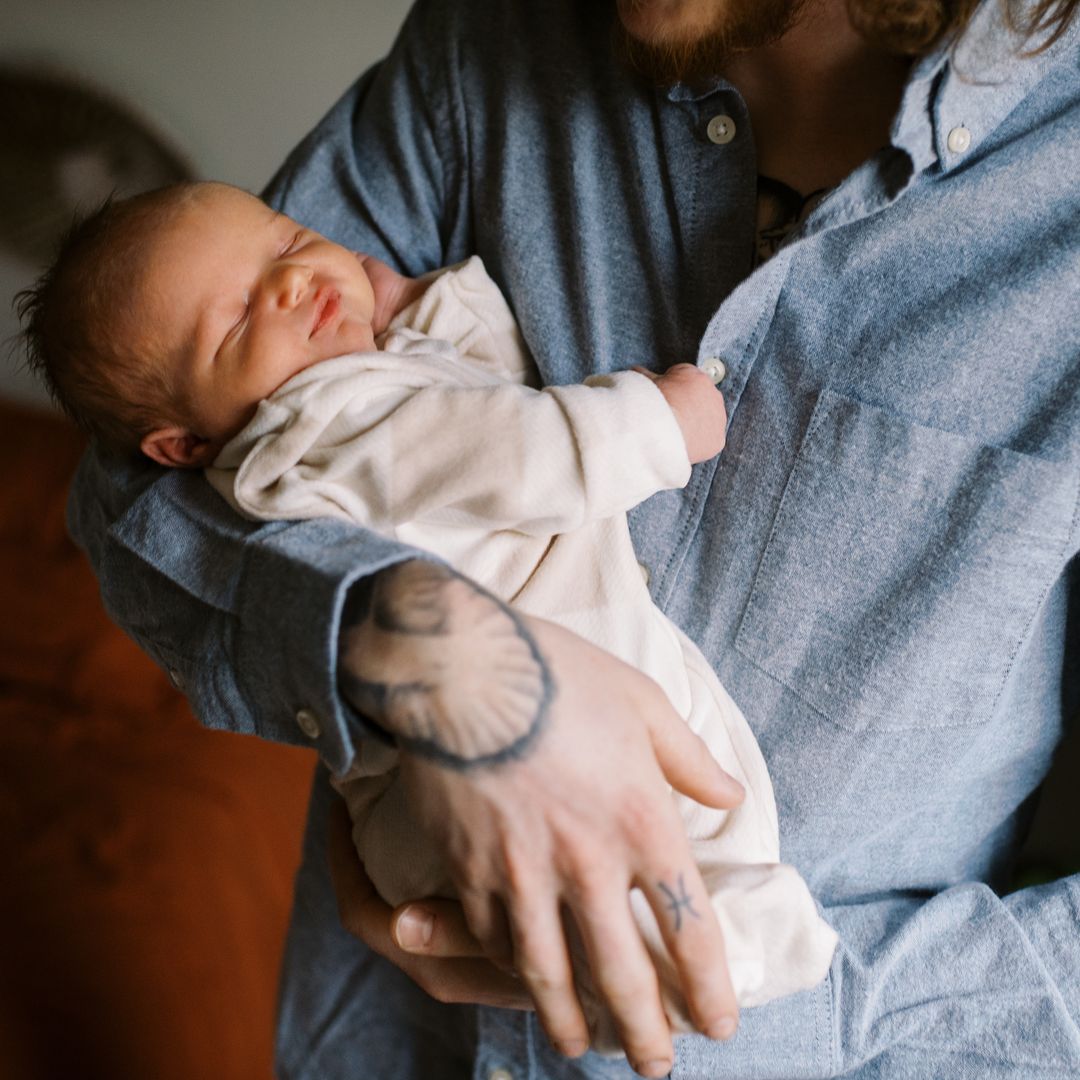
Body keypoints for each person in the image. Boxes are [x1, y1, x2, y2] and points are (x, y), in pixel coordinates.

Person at [60, 0, 1079, 1077]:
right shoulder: (492, 42)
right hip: (397, 1039)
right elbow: (131, 502)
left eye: (294, 249)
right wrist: (406, 633)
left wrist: (795, 1015)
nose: (301, 273)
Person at [19, 177, 838, 1048]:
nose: (290, 282)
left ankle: (691, 948)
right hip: (488, 733)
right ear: (185, 445)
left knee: (666, 820)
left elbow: (468, 393)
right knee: (671, 814)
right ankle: (716, 954)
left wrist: (427, 306)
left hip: (426, 801)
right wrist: (656, 426)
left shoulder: (356, 395)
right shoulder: (312, 425)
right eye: (236, 320)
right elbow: (502, 447)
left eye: (287, 242)